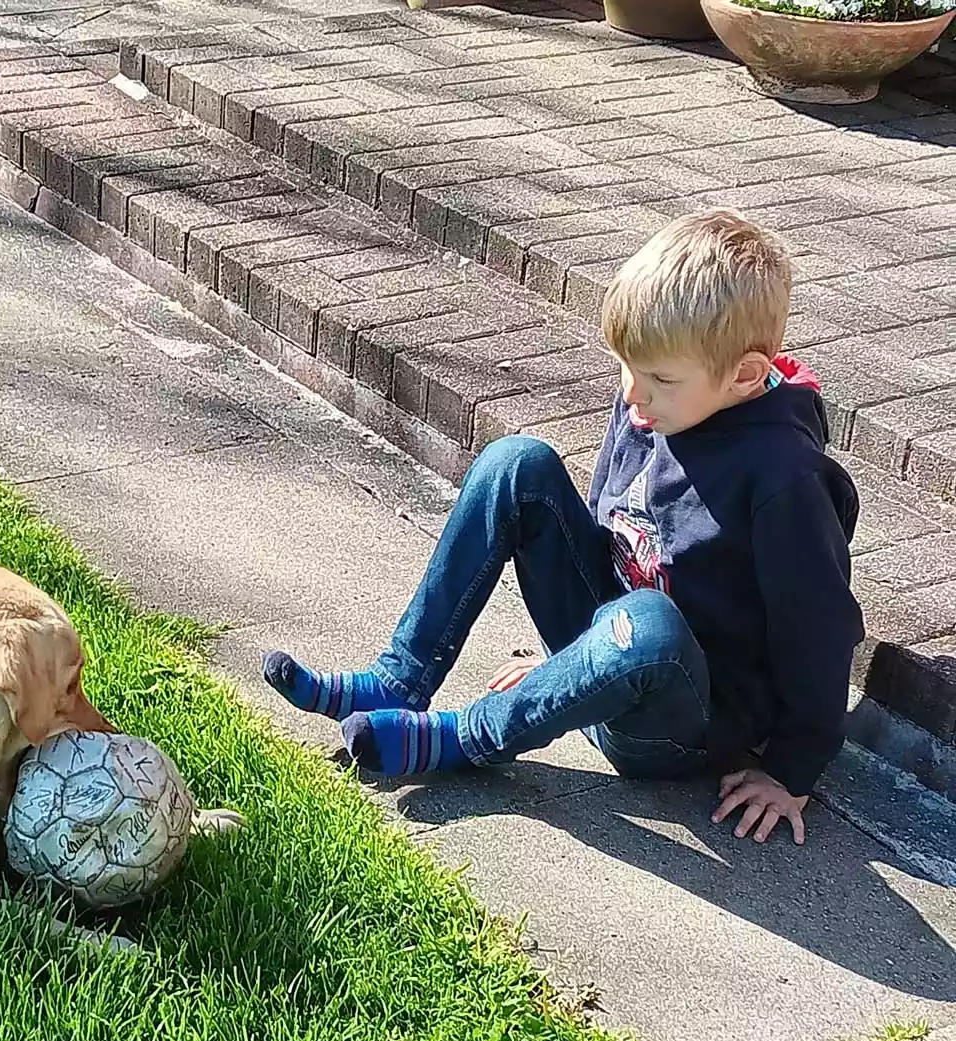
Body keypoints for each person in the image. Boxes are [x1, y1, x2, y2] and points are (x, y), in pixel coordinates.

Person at [263, 209, 863, 847]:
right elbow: (613, 536)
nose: (634, 394)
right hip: (612, 643)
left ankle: (468, 736)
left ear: (744, 375)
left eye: (658, 379)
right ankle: (398, 680)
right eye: (627, 367)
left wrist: (792, 769)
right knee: (516, 462)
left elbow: (819, 632)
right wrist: (570, 668)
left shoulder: (783, 479)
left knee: (651, 624)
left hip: (681, 722)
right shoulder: (657, 404)